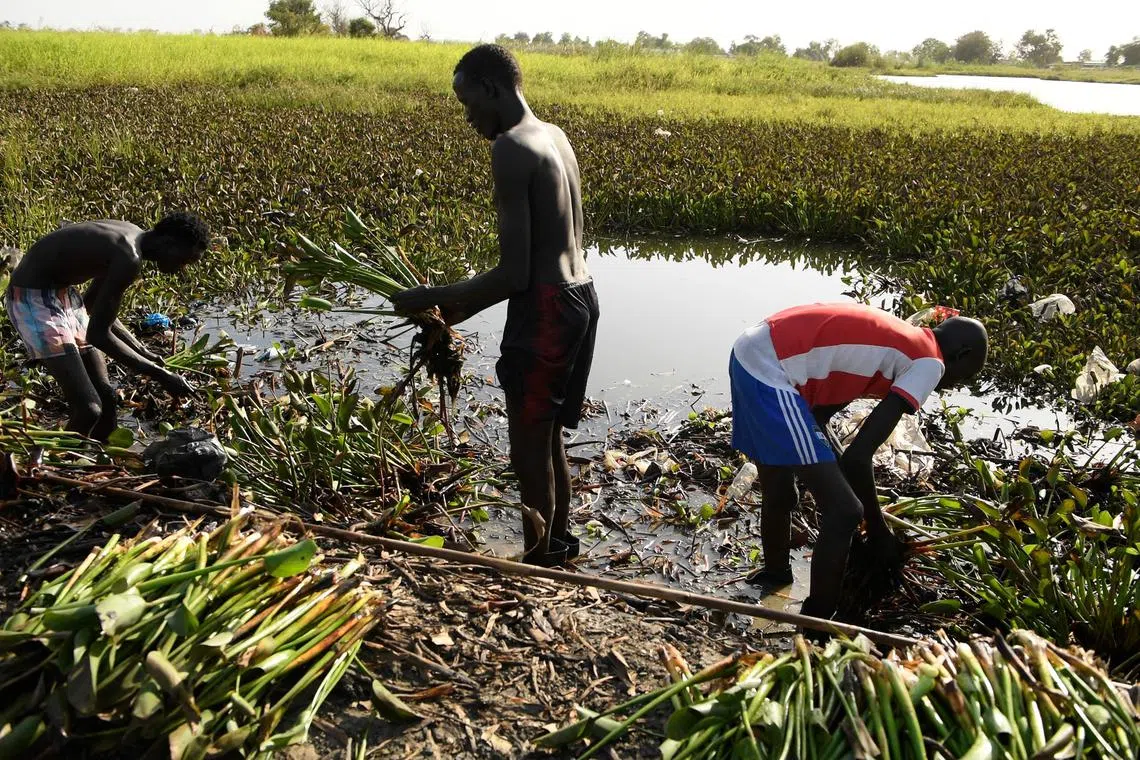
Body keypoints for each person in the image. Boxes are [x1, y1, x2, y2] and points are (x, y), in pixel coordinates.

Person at [392, 44, 599, 567]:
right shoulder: (555, 136)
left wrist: (431, 296)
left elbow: (516, 274)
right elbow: (541, 260)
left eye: (467, 103)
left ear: (491, 89)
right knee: (546, 432)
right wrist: (460, 311)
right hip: (581, 298)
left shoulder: (510, 147)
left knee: (527, 443)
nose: (468, 118)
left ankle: (536, 560)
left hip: (548, 311)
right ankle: (557, 541)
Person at [729, 302, 987, 622]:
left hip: (750, 352)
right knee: (846, 511)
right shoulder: (929, 362)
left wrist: (835, 479)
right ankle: (817, 621)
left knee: (782, 490)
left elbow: (819, 418)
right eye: (967, 375)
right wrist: (878, 534)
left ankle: (775, 576)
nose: (958, 384)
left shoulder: (896, 342)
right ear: (961, 354)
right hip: (771, 370)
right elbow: (857, 458)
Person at [4, 214, 208, 442]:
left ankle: (102, 455)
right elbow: (99, 336)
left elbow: (91, 303)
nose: (182, 268)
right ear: (169, 243)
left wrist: (142, 349)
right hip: (33, 299)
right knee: (89, 409)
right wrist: (161, 374)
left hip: (64, 294)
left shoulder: (132, 234)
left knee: (108, 398)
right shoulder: (129, 257)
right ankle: (61, 464)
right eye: (184, 260)